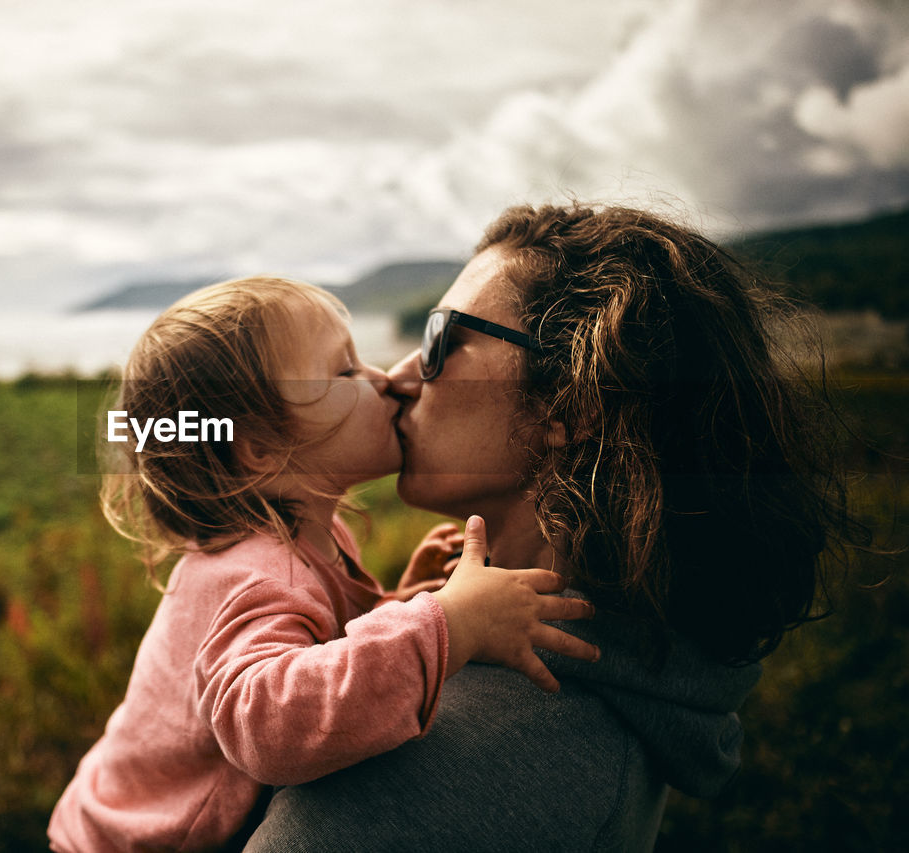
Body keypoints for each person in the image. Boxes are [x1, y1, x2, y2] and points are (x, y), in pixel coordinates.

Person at [245, 203, 856, 851]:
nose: (395, 376)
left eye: (439, 339)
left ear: (571, 404)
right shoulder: (592, 677)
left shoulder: (443, 773)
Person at [47, 276, 599, 852]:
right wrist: (446, 625)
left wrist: (396, 605)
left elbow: (310, 646)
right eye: (345, 372)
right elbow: (268, 726)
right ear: (258, 448)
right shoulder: (259, 574)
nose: (385, 379)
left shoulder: (305, 538)